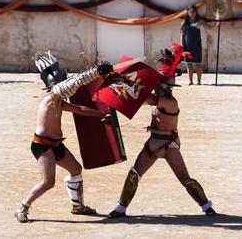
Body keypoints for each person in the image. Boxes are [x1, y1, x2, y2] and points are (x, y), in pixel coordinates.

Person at [107, 48, 216, 218]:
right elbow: (140, 95)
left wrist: (120, 82)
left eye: (157, 84)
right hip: (153, 142)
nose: (154, 86)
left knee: (185, 179)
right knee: (134, 174)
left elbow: (141, 97)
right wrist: (117, 81)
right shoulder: (159, 98)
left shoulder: (169, 102)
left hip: (169, 144)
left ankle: (206, 206)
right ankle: (121, 208)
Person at [14, 51, 113, 223]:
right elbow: (74, 83)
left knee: (76, 170)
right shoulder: (50, 98)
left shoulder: (59, 102)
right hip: (43, 146)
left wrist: (100, 115)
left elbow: (79, 109)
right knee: (48, 182)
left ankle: (78, 207)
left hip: (56, 145)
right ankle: (22, 207)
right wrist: (96, 72)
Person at [180, 5, 218, 85]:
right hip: (187, 45)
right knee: (189, 64)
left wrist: (216, 25)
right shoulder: (185, 22)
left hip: (197, 44)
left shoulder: (200, 21)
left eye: (193, 12)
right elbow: (182, 34)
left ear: (196, 12)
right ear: (188, 13)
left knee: (198, 63)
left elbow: (209, 27)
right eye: (190, 12)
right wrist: (182, 45)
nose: (192, 13)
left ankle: (199, 81)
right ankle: (190, 81)